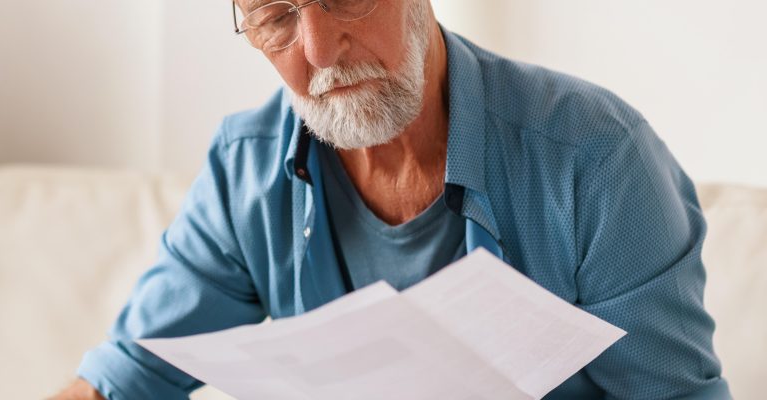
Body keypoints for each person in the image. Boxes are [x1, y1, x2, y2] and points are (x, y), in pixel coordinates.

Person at [54, 0, 730, 398]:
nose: (318, 49)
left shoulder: (596, 159)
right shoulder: (246, 170)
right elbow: (125, 377)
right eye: (274, 14)